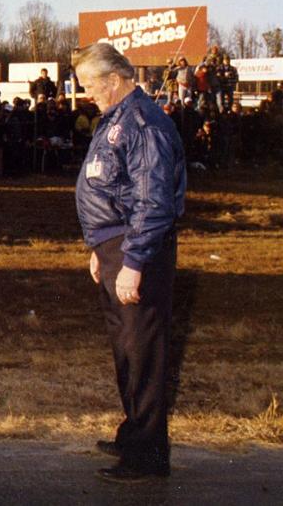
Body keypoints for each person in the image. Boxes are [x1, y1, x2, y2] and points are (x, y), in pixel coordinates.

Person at [73, 42, 185, 483]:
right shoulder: (115, 120)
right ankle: (134, 432)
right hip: (114, 247)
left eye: (91, 85)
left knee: (143, 351)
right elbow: (110, 188)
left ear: (116, 79)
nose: (87, 94)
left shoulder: (142, 123)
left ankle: (148, 456)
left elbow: (152, 201)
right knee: (127, 349)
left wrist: (133, 262)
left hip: (138, 249)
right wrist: (99, 249)